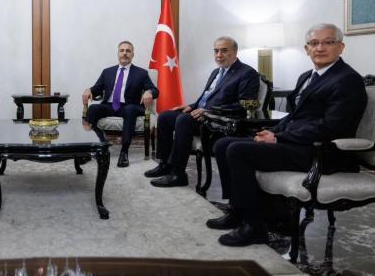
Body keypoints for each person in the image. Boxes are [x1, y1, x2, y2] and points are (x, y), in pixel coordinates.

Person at [206, 23, 367, 247]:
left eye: (328, 42)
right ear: (306, 49)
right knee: (222, 144)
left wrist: (279, 138)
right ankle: (238, 211)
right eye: (314, 43)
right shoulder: (306, 76)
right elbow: (294, 117)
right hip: (297, 143)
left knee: (237, 150)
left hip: (322, 151)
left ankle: (253, 227)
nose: (320, 48)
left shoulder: (347, 79)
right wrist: (272, 131)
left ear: (341, 47)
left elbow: (331, 127)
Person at [147, 36, 260, 187]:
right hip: (202, 115)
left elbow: (243, 105)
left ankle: (178, 174)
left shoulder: (247, 73)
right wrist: (191, 106)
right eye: (216, 51)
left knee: (183, 120)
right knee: (165, 117)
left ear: (234, 52)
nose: (219, 55)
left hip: (218, 120)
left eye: (224, 51)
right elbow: (207, 98)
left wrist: (208, 111)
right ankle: (165, 165)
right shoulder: (216, 72)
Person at [82, 41, 158, 168]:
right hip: (110, 106)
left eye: (128, 51)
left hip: (130, 106)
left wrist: (149, 92)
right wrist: (88, 90)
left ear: (132, 54)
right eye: (122, 50)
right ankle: (100, 146)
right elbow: (96, 89)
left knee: (129, 110)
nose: (124, 53)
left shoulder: (141, 73)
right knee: (93, 109)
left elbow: (155, 90)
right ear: (118, 53)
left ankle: (124, 152)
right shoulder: (107, 72)